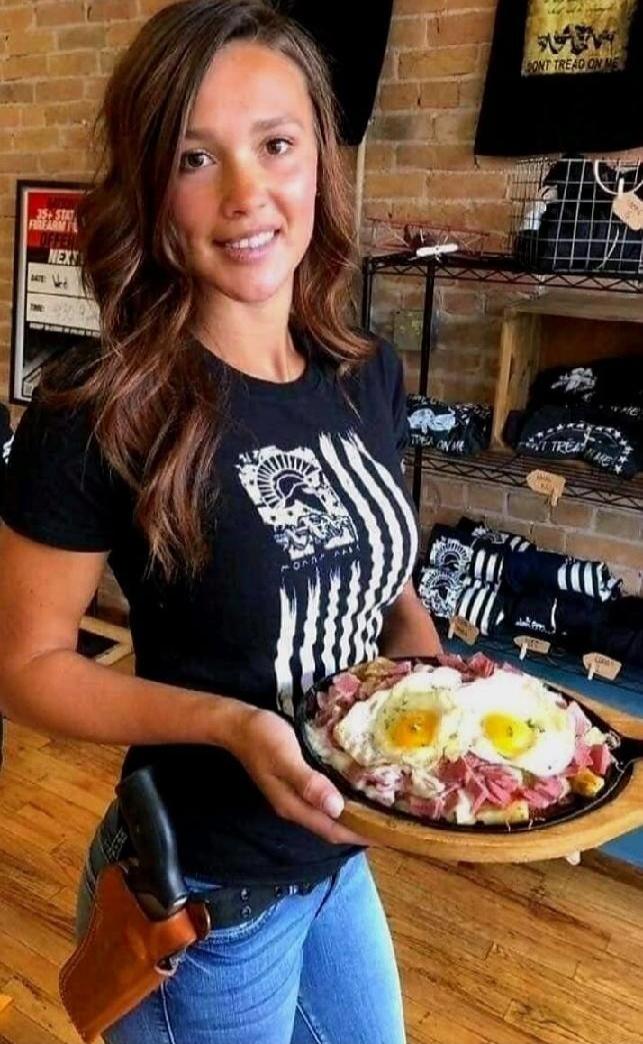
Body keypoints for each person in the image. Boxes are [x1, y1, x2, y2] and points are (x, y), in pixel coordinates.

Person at [0, 2, 442, 1042]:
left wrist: (438, 696)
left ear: (319, 159)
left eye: (275, 144)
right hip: (205, 892)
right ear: (150, 185)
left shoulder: (364, 374)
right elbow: (24, 669)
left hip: (339, 859)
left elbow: (380, 575)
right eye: (195, 158)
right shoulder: (102, 408)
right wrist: (229, 724)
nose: (247, 194)